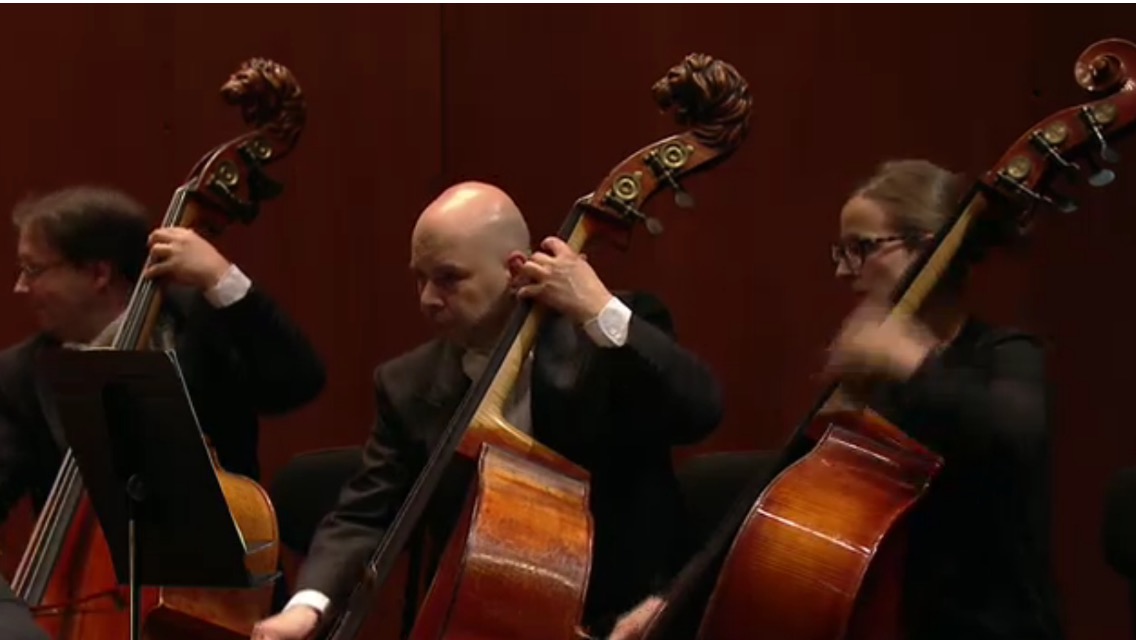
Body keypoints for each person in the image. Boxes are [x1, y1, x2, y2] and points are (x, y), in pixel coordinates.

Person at [608, 159, 1065, 640]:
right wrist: (671, 601)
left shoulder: (1005, 355)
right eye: (841, 252)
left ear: (927, 248)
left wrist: (915, 364)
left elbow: (1015, 436)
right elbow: (777, 495)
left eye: (861, 249)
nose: (845, 272)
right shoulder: (872, 376)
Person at [251, 181, 724, 640]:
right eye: (420, 278)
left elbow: (699, 411)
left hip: (627, 616)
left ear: (516, 270)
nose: (428, 299)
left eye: (449, 278)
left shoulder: (603, 339)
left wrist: (597, 308)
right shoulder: (407, 383)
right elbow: (364, 514)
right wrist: (305, 608)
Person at [0, 186, 326, 604]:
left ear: (98, 273)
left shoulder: (203, 326)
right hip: (87, 607)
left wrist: (223, 280)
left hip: (223, 605)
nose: (20, 288)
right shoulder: (20, 375)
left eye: (33, 270)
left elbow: (298, 382)